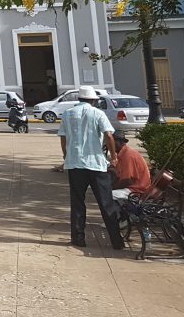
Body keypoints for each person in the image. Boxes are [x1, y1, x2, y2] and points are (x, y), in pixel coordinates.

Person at [57, 85, 124, 249]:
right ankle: (116, 240)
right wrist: (114, 157)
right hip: (96, 164)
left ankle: (78, 238)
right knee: (106, 203)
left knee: (78, 202)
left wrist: (66, 155)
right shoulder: (98, 113)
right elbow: (109, 135)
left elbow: (63, 137)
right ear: (93, 100)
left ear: (79, 99)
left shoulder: (67, 114)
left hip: (75, 164)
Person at [110, 133, 151, 200]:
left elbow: (128, 181)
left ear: (120, 142)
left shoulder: (128, 155)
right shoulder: (122, 154)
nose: (109, 145)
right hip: (131, 187)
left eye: (112, 142)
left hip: (136, 190)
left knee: (107, 195)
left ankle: (113, 211)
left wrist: (112, 187)